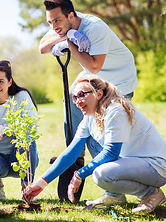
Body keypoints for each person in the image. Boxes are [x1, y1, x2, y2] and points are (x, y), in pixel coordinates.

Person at [39, 0, 138, 202]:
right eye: (50, 22)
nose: (53, 26)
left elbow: (94, 66)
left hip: (119, 81)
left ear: (71, 16)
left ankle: (115, 192)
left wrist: (69, 44)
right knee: (71, 97)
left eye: (57, 20)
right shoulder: (62, 26)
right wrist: (67, 35)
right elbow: (42, 47)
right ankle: (76, 156)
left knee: (97, 132)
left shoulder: (95, 28)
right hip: (96, 78)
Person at [24, 75, 166, 213]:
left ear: (98, 94)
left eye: (81, 94)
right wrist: (41, 183)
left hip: (156, 165)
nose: (77, 101)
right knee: (93, 149)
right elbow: (71, 153)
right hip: (135, 164)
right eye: (74, 97)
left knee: (101, 174)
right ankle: (114, 195)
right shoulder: (89, 118)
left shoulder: (115, 110)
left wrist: (79, 175)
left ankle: (151, 194)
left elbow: (111, 152)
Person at [0, 60, 40, 200]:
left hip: (22, 155)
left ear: (9, 82)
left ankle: (27, 188)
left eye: (0, 81)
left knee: (26, 140)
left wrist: (6, 128)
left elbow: (32, 126)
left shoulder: (21, 96)